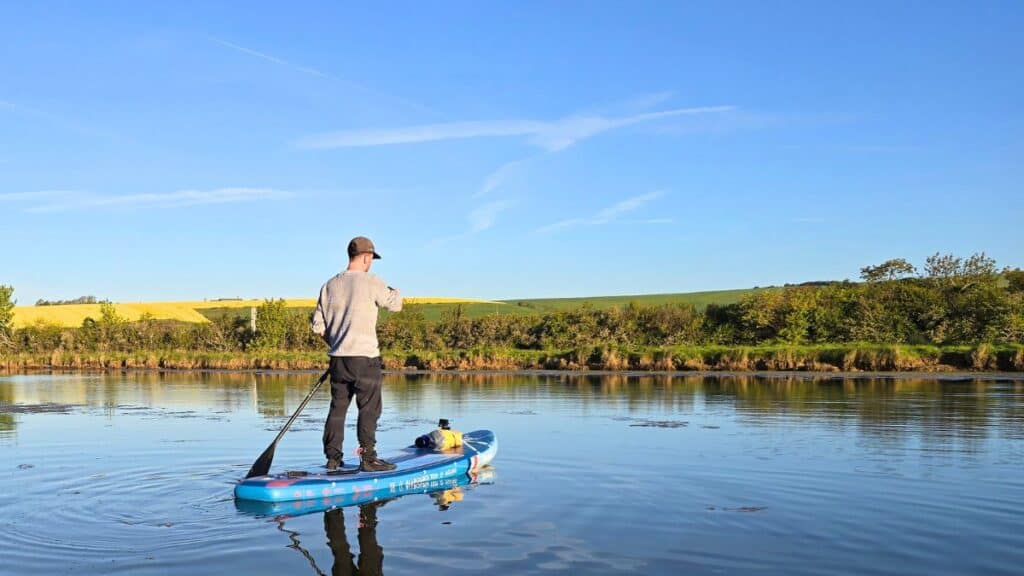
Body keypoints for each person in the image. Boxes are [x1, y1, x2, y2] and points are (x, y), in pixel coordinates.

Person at [312, 236, 402, 472]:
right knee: (369, 409)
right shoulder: (372, 281)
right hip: (365, 359)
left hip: (338, 360)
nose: (371, 262)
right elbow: (395, 305)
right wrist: (396, 292)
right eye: (371, 258)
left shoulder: (329, 285)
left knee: (337, 409)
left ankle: (333, 459)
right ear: (366, 257)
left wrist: (337, 341)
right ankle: (368, 457)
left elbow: (318, 327)